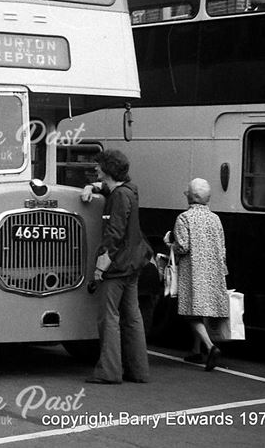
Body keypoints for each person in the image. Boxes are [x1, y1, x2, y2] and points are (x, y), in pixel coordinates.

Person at [80, 149, 152, 384]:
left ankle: (109, 371)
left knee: (108, 317)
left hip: (118, 265)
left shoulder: (119, 197)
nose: (96, 169)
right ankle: (139, 371)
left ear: (108, 169)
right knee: (132, 317)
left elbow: (114, 234)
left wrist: (101, 267)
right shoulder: (130, 190)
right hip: (134, 262)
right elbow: (109, 187)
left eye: (99, 166)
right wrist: (93, 187)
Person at [167, 178, 229, 371]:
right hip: (214, 270)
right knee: (202, 311)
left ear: (191, 197)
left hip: (193, 271)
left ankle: (210, 347)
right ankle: (196, 350)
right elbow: (222, 247)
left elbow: (183, 246)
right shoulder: (215, 219)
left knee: (189, 313)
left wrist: (170, 242)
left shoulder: (184, 218)